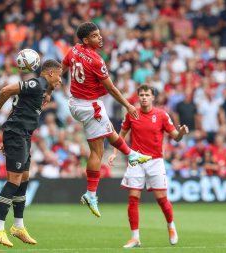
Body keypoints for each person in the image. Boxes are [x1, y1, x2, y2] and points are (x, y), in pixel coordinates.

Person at [61, 22, 151, 218]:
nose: (100, 37)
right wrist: (128, 105)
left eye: (99, 34)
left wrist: (51, 88)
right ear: (86, 40)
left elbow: (63, 66)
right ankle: (91, 194)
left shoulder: (75, 50)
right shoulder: (96, 61)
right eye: (95, 35)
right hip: (89, 106)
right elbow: (111, 89)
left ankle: (131, 155)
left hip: (75, 102)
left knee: (108, 129)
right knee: (97, 152)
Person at [0, 59, 63, 248]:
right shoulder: (35, 84)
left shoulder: (42, 89)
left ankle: (18, 226)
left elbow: (17, 110)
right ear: (50, 73)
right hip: (17, 135)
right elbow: (5, 90)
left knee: (24, 178)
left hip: (21, 135)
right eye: (59, 75)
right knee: (14, 180)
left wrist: (48, 93)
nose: (60, 80)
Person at [108, 85, 189, 248]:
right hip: (136, 160)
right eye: (141, 95)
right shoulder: (132, 113)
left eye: (147, 95)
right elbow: (121, 135)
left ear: (153, 98)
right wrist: (115, 153)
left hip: (156, 161)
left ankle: (171, 226)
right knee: (133, 199)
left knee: (162, 200)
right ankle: (135, 237)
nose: (144, 97)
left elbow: (175, 137)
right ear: (138, 97)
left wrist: (181, 133)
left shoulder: (161, 115)